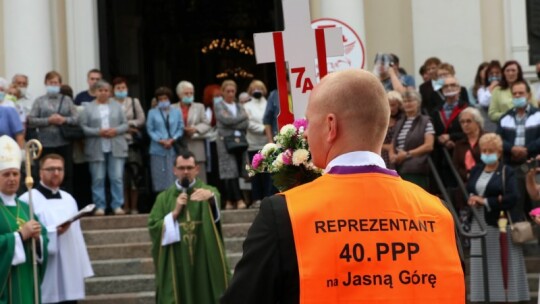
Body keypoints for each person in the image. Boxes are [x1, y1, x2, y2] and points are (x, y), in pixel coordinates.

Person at [221, 69, 465, 303]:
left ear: (330, 126)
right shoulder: (439, 213)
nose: (304, 134)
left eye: (308, 121)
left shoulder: (285, 212)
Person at [148, 151, 230, 304]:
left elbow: (217, 220)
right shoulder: (164, 198)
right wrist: (175, 212)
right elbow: (153, 226)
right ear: (174, 170)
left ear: (197, 169)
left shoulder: (208, 192)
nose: (185, 171)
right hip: (177, 257)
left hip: (203, 255)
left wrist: (211, 199)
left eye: (189, 167)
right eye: (181, 168)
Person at [19, 154, 94, 303]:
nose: (56, 173)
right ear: (40, 172)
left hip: (69, 264)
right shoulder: (28, 199)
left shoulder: (69, 199)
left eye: (60, 169)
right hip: (46, 268)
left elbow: (77, 236)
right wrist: (54, 232)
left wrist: (82, 266)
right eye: (51, 169)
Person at [466, 133, 530, 303]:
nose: (487, 154)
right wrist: (474, 198)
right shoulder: (476, 170)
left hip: (499, 222)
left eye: (491, 151)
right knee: (479, 261)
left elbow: (512, 197)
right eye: (484, 150)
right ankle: (481, 295)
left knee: (501, 261)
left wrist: (486, 200)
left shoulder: (506, 171)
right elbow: (469, 188)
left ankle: (504, 297)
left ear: (499, 152)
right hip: (477, 220)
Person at [0, 135, 48, 304]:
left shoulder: (26, 207)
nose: (12, 179)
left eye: (15, 174)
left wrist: (38, 239)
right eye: (6, 174)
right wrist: (19, 237)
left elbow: (44, 237)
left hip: (28, 279)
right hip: (6, 286)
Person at [80, 80, 129, 216]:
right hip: (96, 147)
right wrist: (98, 132)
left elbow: (125, 124)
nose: (103, 93)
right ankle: (100, 206)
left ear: (110, 92)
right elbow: (83, 127)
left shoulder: (117, 106)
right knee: (98, 178)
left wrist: (115, 130)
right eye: (100, 90)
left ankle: (117, 205)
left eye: (106, 90)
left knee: (117, 177)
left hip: (116, 145)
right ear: (95, 92)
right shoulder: (88, 108)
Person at [27, 71, 78, 193]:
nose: (53, 85)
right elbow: (31, 120)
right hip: (45, 143)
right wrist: (48, 120)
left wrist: (63, 120)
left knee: (66, 173)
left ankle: (66, 195)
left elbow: (76, 119)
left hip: (64, 142)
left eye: (56, 83)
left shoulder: (67, 100)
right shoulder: (39, 101)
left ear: (60, 84)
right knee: (45, 171)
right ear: (46, 83)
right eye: (51, 82)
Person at [496, 80, 540, 223]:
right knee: (516, 205)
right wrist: (512, 148)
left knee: (536, 204)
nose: (517, 96)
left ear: (528, 95)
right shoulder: (505, 118)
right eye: (514, 94)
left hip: (535, 166)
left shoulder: (538, 115)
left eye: (520, 93)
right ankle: (520, 239)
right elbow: (498, 139)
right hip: (512, 167)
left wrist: (528, 149)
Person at [112, 77, 146, 214]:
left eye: (123, 88)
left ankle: (134, 207)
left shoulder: (133, 101)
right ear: (114, 90)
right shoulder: (110, 103)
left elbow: (141, 119)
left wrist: (129, 125)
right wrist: (125, 127)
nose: (121, 90)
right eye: (118, 88)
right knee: (120, 177)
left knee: (134, 175)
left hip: (132, 144)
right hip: (116, 142)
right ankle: (123, 206)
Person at [389, 89, 434, 190]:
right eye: (405, 101)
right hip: (397, 168)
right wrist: (392, 155)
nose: (407, 104)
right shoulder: (399, 122)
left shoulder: (425, 121)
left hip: (415, 168)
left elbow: (428, 145)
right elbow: (393, 143)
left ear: (418, 102)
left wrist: (407, 154)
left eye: (410, 100)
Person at [215, 80, 248, 210]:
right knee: (229, 171)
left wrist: (234, 123)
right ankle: (237, 199)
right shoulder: (219, 105)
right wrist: (242, 117)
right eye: (227, 91)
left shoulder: (239, 105)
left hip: (240, 140)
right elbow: (226, 120)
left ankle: (230, 200)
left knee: (239, 170)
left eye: (232, 91)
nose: (230, 94)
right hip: (224, 141)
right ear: (223, 92)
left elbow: (246, 124)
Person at [146, 87, 184, 193]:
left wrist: (173, 139)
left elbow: (180, 128)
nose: (163, 101)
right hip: (157, 149)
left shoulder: (176, 112)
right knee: (159, 176)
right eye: (160, 99)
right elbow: (150, 129)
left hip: (172, 148)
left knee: (173, 175)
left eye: (165, 98)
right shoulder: (152, 113)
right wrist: (160, 140)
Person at [172, 81, 211, 183]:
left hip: (195, 144)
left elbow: (206, 124)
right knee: (180, 175)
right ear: (179, 95)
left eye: (191, 93)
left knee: (199, 177)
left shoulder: (199, 107)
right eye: (186, 93)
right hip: (179, 145)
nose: (189, 95)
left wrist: (195, 129)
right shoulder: (172, 108)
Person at [244, 80, 272, 208]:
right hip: (253, 143)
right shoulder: (247, 106)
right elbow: (248, 123)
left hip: (267, 143)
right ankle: (256, 199)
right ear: (250, 90)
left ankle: (268, 198)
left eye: (260, 88)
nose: (257, 90)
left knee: (268, 172)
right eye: (255, 88)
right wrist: (263, 129)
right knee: (255, 173)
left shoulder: (268, 104)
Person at [453, 107, 484, 183]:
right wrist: (466, 175)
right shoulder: (459, 144)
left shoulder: (488, 138)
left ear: (478, 122)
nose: (465, 125)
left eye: (468, 121)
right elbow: (457, 166)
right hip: (466, 182)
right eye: (462, 122)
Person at [381, 91, 404, 168]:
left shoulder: (403, 119)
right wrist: (388, 147)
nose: (391, 108)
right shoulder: (382, 120)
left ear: (399, 105)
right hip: (385, 156)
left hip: (401, 154)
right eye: (389, 105)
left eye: (393, 105)